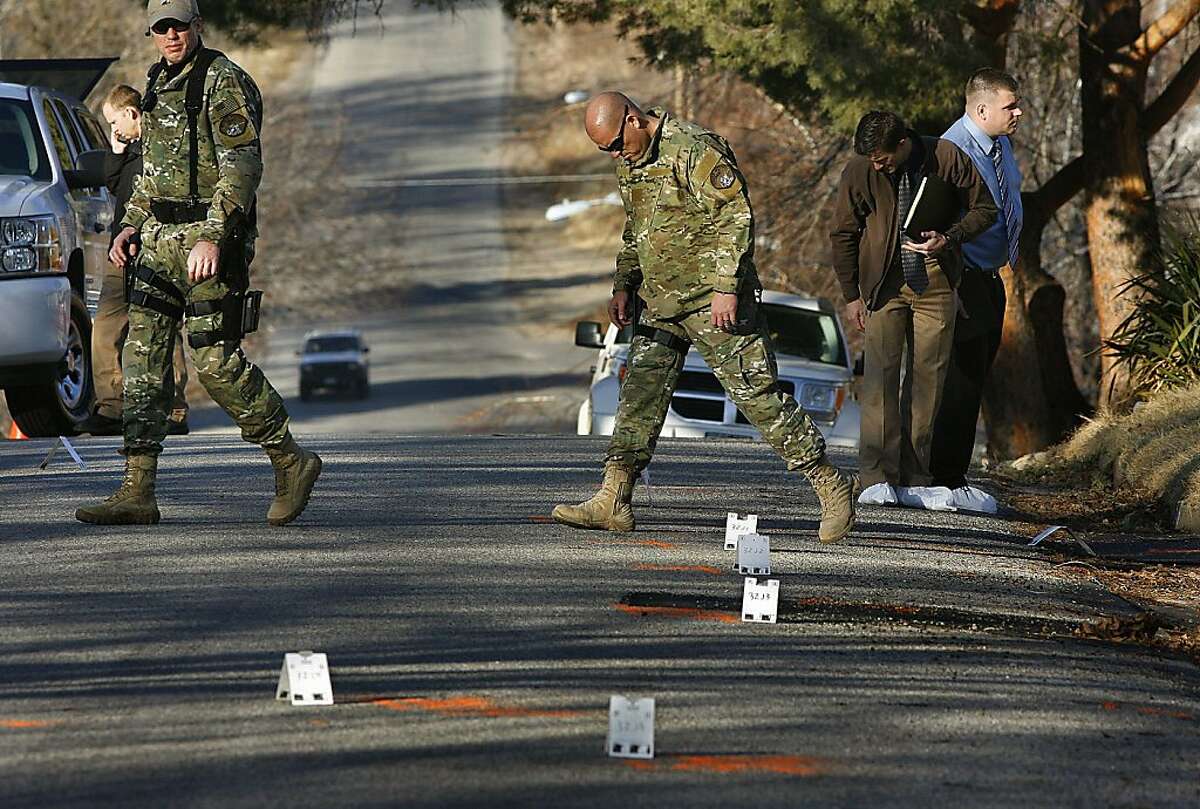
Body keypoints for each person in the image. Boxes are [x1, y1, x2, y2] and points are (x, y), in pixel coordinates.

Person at [552, 92, 856, 544]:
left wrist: (725, 287)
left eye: (616, 144)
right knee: (639, 397)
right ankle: (614, 498)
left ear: (633, 120)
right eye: (606, 151)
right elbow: (637, 229)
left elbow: (735, 218)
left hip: (712, 300)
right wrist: (624, 283)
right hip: (659, 302)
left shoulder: (694, 149)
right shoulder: (630, 162)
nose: (615, 155)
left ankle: (831, 486)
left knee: (757, 395)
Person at [76, 0, 321, 527]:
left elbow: (243, 166)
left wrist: (214, 237)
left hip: (208, 243)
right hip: (158, 241)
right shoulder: (155, 83)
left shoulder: (223, 81)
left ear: (197, 27)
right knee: (141, 363)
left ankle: (289, 460)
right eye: (160, 28)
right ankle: (136, 489)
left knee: (214, 363)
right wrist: (131, 223)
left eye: (178, 26)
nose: (169, 36)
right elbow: (153, 171)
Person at [830, 111, 996, 509]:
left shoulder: (947, 156)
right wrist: (852, 294)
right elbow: (843, 232)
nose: (877, 164)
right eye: (870, 157)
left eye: (883, 157)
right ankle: (876, 477)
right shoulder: (860, 171)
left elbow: (986, 210)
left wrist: (951, 237)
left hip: (936, 282)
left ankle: (915, 476)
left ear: (903, 143)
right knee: (880, 379)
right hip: (883, 286)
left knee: (928, 380)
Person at [932, 69, 1025, 514]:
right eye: (1011, 106)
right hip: (962, 277)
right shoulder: (954, 149)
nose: (1019, 112)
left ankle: (953, 473)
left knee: (974, 375)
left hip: (991, 275)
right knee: (960, 378)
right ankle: (944, 477)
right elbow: (944, 220)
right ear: (982, 109)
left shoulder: (999, 144)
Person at [78, 84, 190, 437]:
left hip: (157, 251)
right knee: (106, 330)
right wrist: (116, 148)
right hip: (119, 253)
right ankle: (112, 406)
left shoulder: (163, 146)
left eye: (115, 123)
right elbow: (113, 184)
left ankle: (173, 408)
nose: (114, 130)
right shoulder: (126, 151)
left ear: (132, 113)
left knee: (164, 326)